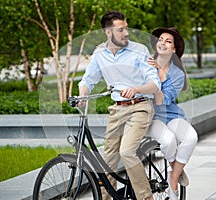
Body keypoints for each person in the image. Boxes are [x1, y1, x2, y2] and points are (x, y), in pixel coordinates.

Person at [78, 10, 161, 200]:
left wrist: (137, 89)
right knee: (108, 158)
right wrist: (82, 95)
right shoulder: (100, 54)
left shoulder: (139, 50)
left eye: (126, 28)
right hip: (117, 109)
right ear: (108, 32)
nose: (126, 33)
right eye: (121, 29)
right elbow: (87, 81)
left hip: (140, 107)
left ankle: (145, 198)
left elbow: (155, 84)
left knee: (127, 152)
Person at [146, 27, 198, 200]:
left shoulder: (177, 74)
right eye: (161, 39)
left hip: (170, 115)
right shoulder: (144, 64)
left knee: (191, 137)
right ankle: (177, 167)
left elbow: (163, 100)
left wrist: (161, 73)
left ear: (174, 49)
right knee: (168, 141)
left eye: (168, 41)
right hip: (149, 116)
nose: (163, 42)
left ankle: (173, 179)